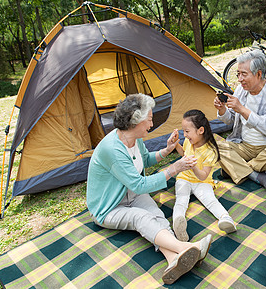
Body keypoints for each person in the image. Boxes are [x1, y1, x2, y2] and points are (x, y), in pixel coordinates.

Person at [86, 94, 212, 285]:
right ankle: (185, 247)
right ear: (135, 121)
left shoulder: (134, 138)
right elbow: (138, 184)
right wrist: (173, 169)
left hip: (131, 195)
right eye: (150, 119)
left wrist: (168, 149)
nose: (151, 124)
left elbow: (145, 160)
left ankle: (172, 260)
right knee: (141, 218)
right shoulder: (112, 149)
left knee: (156, 214)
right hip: (109, 208)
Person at [213, 49, 266, 191]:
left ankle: (236, 169)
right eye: (238, 74)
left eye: (244, 74)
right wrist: (222, 110)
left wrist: (242, 109)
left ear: (259, 74)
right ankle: (256, 175)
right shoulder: (241, 90)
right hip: (243, 145)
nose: (239, 79)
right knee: (212, 144)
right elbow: (231, 120)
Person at [170, 110, 237, 242]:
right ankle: (178, 222)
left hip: (202, 181)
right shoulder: (188, 142)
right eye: (184, 131)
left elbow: (203, 176)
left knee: (210, 200)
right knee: (181, 199)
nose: (185, 135)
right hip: (184, 177)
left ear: (200, 130)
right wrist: (175, 144)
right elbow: (184, 153)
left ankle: (225, 218)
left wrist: (193, 165)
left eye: (187, 131)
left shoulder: (210, 150)